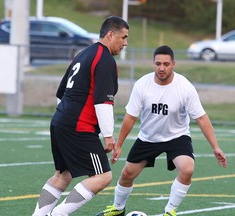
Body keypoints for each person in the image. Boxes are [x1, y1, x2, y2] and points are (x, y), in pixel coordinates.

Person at [96, 45, 227, 216]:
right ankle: (118, 208)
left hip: (177, 137)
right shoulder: (142, 84)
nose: (162, 68)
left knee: (187, 169)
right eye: (158, 64)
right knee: (127, 174)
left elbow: (201, 118)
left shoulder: (185, 87)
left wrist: (215, 147)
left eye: (166, 64)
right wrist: (119, 145)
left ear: (174, 64)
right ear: (153, 64)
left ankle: (170, 211)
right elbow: (130, 117)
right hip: (148, 137)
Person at [32, 16, 129, 216]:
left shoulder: (84, 54)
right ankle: (58, 214)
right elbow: (103, 100)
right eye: (123, 37)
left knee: (62, 175)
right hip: (79, 126)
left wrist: (65, 116)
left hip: (60, 121)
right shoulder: (104, 59)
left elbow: (60, 93)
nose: (125, 43)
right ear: (111, 35)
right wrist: (108, 135)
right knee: (102, 176)